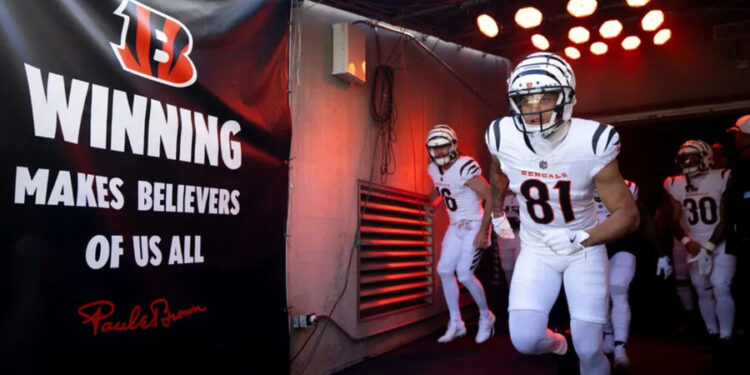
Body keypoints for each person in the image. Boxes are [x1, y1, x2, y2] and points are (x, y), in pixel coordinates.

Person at [485, 52, 639, 375]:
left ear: (567, 96)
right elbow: (497, 168)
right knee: (524, 339)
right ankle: (559, 345)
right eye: (526, 100)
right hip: (536, 248)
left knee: (589, 347)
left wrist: (583, 236)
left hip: (582, 249)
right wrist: (497, 209)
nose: (535, 109)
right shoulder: (501, 135)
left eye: (545, 97)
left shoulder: (592, 141)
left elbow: (628, 214)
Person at [425, 124, 496, 344]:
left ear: (454, 145)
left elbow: (491, 195)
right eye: (435, 149)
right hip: (455, 225)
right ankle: (456, 322)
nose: (440, 153)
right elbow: (444, 188)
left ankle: (486, 316)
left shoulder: (465, 166)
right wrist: (435, 203)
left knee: (464, 274)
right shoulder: (433, 168)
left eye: (444, 147)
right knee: (444, 270)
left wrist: (484, 231)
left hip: (474, 223)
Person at [661, 140, 735, 343]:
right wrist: (687, 242)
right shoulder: (675, 183)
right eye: (683, 158)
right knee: (701, 288)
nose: (687, 162)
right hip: (694, 245)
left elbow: (727, 218)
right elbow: (674, 220)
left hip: (720, 243)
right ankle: (712, 332)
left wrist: (709, 248)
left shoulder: (722, 177)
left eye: (691, 158)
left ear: (705, 157)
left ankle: (726, 336)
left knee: (720, 285)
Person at [595, 180, 672, 368]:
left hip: (623, 242)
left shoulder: (627, 187)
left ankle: (621, 345)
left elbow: (645, 220)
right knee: (598, 294)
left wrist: (661, 254)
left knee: (619, 289)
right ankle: (609, 333)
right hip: (595, 245)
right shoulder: (578, 183)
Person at [725, 115, 750, 338]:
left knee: (742, 286)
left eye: (737, 134)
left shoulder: (746, 160)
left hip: (747, 235)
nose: (735, 138)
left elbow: (739, 200)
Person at [498, 192, 521, 286]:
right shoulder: (498, 196)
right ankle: (510, 292)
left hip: (520, 234)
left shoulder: (522, 195)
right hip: (504, 234)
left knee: (520, 267)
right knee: (507, 268)